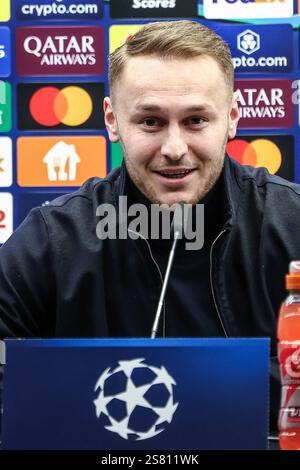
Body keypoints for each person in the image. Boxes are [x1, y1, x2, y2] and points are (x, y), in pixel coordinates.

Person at [1, 20, 300, 436]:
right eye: (150, 122)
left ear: (232, 117)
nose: (175, 149)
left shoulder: (292, 222)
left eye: (196, 120)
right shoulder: (54, 240)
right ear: (112, 120)